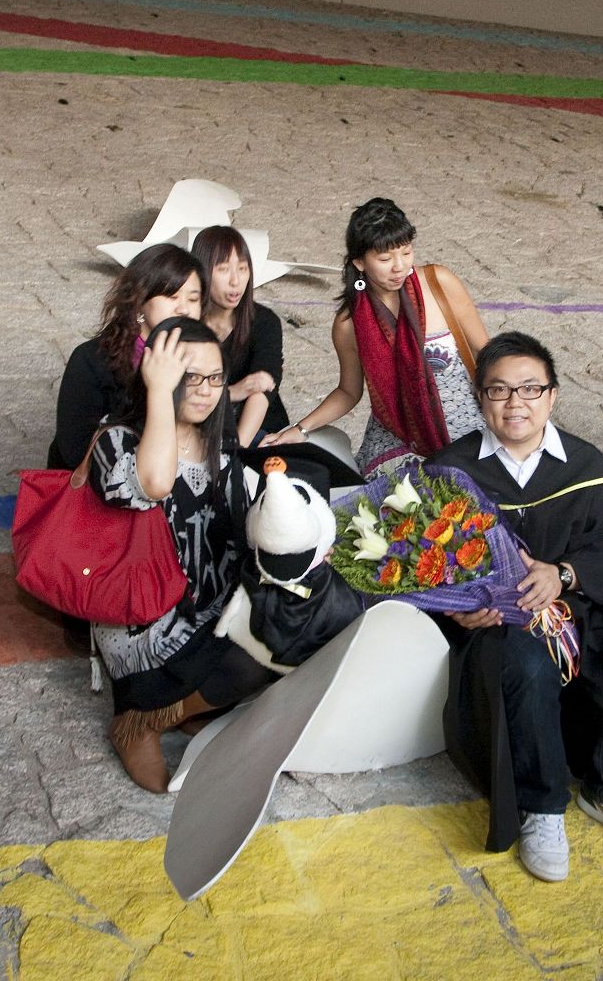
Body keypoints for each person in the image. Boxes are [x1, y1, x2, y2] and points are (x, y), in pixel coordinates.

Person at [429, 333, 603, 882]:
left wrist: (565, 574)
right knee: (525, 663)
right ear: (480, 397)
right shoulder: (449, 472)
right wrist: (455, 607)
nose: (515, 402)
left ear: (552, 395)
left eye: (530, 388)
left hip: (578, 598)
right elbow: (421, 560)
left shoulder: (588, 467)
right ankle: (543, 806)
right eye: (499, 390)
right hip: (499, 617)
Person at [89, 317, 273, 793]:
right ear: (158, 372)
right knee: (247, 661)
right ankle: (140, 720)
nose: (206, 390)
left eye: (215, 378)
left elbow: (246, 516)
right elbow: (153, 484)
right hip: (147, 615)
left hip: (210, 603)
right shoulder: (116, 439)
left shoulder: (218, 442)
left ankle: (186, 707)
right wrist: (158, 394)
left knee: (286, 631)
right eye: (190, 378)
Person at [267, 198, 487, 474]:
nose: (399, 266)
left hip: (467, 430)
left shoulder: (438, 282)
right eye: (385, 259)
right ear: (359, 262)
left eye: (406, 252)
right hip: (397, 440)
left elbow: (486, 353)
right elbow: (349, 391)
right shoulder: (349, 323)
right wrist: (300, 429)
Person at [50, 244, 204, 469]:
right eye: (172, 296)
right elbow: (74, 449)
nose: (184, 309)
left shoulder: (205, 359)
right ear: (140, 301)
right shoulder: (91, 359)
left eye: (193, 299)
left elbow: (220, 434)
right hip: (110, 478)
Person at [192, 225, 287, 446]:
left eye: (243, 268)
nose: (235, 281)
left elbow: (263, 388)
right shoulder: (187, 324)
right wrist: (233, 392)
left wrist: (238, 450)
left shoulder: (264, 321)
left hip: (257, 430)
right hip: (199, 428)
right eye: (223, 269)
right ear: (202, 271)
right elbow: (180, 395)